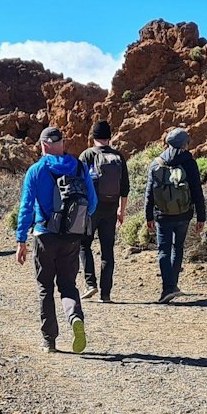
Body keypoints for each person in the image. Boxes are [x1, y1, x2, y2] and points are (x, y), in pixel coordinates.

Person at [15, 125, 97, 353]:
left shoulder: (36, 170)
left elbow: (26, 207)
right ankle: (74, 317)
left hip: (44, 236)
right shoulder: (80, 167)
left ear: (43, 145)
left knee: (45, 287)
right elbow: (92, 204)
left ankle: (49, 340)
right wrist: (73, 223)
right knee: (68, 285)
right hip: (72, 237)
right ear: (62, 143)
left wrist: (21, 240)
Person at [143, 126, 207, 303]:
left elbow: (149, 192)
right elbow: (197, 191)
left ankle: (168, 287)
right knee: (177, 247)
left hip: (162, 215)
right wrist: (201, 216)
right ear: (184, 144)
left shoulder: (156, 163)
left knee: (163, 249)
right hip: (184, 214)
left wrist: (148, 215)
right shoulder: (189, 163)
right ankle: (173, 285)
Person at [77, 120, 129, 303]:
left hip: (90, 210)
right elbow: (125, 187)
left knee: (84, 245)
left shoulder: (87, 155)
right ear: (109, 137)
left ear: (93, 136)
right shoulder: (118, 157)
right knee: (107, 251)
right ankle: (105, 294)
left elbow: (78, 184)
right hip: (111, 208)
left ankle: (90, 283)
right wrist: (121, 211)